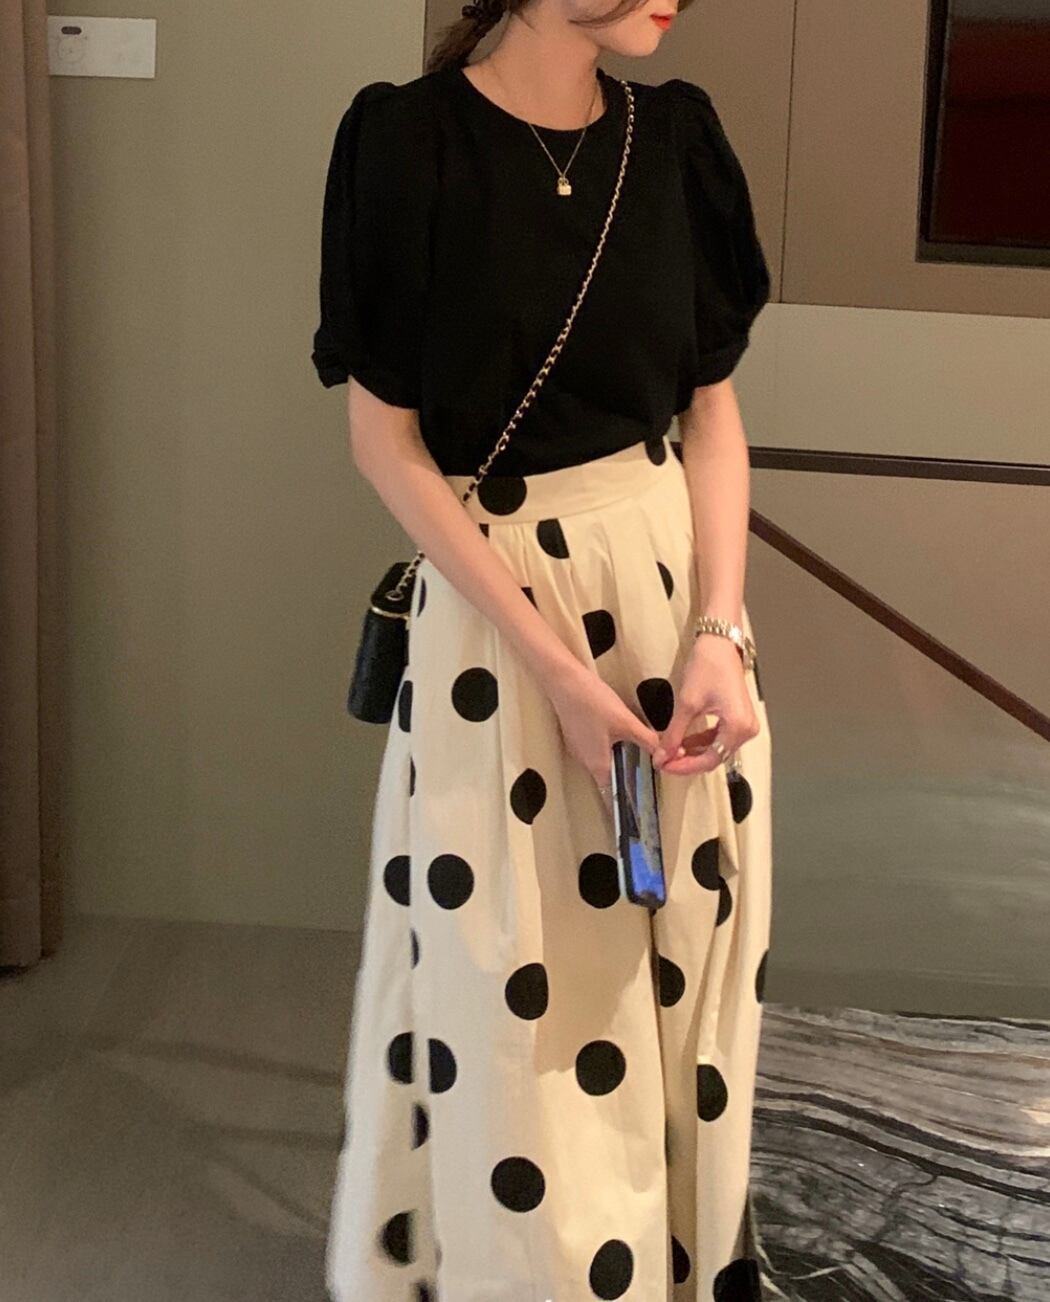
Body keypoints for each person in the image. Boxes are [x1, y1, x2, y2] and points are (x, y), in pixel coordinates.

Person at [311, 1, 774, 1298]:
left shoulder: (675, 140)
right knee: (518, 1002)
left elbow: (712, 416)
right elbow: (385, 442)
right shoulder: (406, 145)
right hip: (500, 628)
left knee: (678, 984)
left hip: (678, 618)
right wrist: (557, 673)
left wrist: (721, 628)